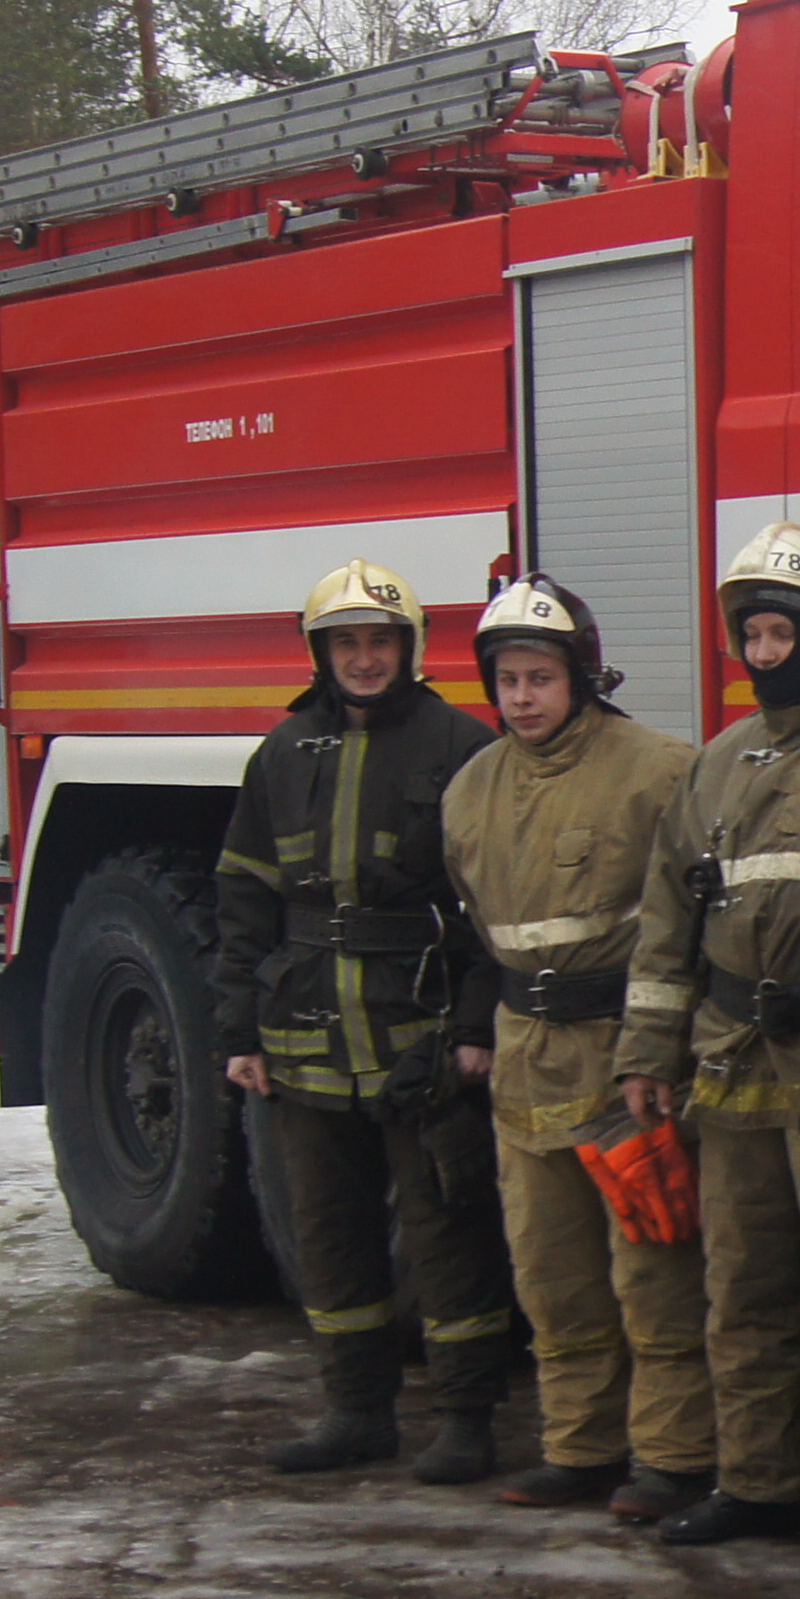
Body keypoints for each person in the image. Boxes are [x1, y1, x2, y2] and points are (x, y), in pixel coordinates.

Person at [614, 519, 800, 1546]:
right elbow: (667, 916)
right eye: (753, 634)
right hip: (731, 1063)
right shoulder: (720, 763)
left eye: (783, 632)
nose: (766, 652)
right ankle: (760, 1482)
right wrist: (648, 1051)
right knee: (742, 1292)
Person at [214, 560, 519, 1478]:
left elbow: (495, 905)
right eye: (345, 643)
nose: (363, 659)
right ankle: (355, 1412)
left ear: (408, 646)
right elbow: (244, 896)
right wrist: (239, 1031)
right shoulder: (281, 752)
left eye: (379, 641)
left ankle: (465, 1418)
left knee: (447, 1235)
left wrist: (475, 1027)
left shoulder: (461, 745)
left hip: (418, 1038)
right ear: (320, 653)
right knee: (330, 1236)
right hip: (305, 1039)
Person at [437, 574, 711, 1509]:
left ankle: (674, 1457)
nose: (523, 698)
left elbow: (690, 925)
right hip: (526, 1063)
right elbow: (478, 929)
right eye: (508, 680)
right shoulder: (470, 791)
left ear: (583, 675)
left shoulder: (658, 771)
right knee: (552, 1276)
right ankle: (580, 1447)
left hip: (623, 1063)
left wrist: (660, 1051)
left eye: (541, 678)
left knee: (654, 1270)